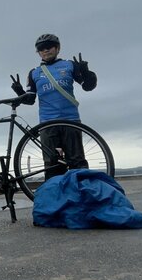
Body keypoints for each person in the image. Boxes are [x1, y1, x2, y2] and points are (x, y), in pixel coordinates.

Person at [10, 33, 98, 179]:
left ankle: (82, 196)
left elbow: (88, 87)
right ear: (38, 52)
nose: (45, 50)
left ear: (57, 48)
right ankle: (56, 199)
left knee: (77, 162)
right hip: (47, 124)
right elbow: (30, 99)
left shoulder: (69, 65)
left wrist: (87, 73)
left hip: (71, 120)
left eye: (49, 47)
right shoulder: (34, 73)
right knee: (52, 165)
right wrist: (19, 91)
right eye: (41, 49)